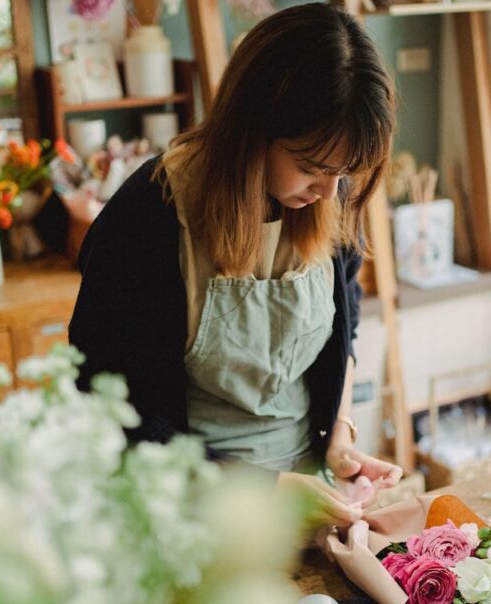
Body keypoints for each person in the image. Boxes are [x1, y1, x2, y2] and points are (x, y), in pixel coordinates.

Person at [69, 2, 400, 527]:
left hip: (305, 488)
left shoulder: (330, 191)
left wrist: (339, 437)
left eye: (344, 173)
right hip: (185, 504)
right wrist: (263, 489)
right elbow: (112, 413)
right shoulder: (151, 216)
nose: (328, 192)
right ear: (251, 130)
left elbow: (345, 323)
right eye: (311, 167)